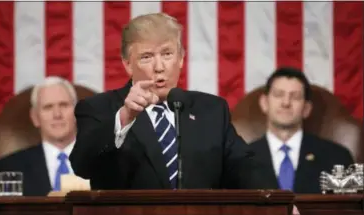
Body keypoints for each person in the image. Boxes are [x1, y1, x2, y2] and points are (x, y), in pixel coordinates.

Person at [69, 12, 272, 190]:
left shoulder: (211, 110)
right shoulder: (99, 109)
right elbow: (82, 166)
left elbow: (244, 167)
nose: (159, 67)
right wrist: (125, 117)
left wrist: (279, 205)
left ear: (181, 58)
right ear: (128, 64)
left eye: (167, 54)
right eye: (147, 57)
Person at [249, 67, 354, 194]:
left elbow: (349, 209)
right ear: (264, 103)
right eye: (278, 95)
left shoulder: (338, 158)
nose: (286, 103)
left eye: (295, 97)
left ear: (306, 108)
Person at [0, 77, 78, 196]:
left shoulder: (106, 163)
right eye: (48, 107)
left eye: (64, 105)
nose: (57, 114)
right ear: (35, 117)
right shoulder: (9, 168)